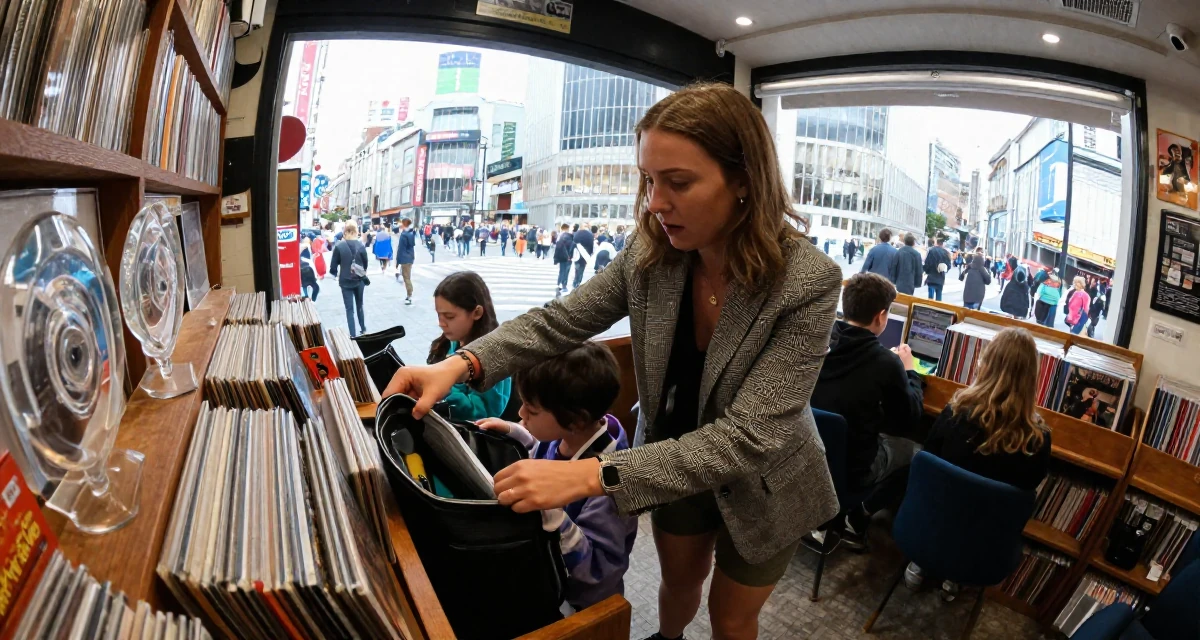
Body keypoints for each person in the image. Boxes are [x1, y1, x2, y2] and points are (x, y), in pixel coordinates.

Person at [382, 83, 842, 640]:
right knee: (679, 580)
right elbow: (560, 320)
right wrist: (459, 365)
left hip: (769, 480)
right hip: (670, 457)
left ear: (744, 179)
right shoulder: (651, 258)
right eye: (649, 180)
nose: (654, 202)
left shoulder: (807, 281)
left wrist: (587, 475)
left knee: (732, 614)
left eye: (678, 182)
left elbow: (747, 437)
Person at [476, 343, 638, 611]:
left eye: (532, 410)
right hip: (549, 571)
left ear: (575, 420)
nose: (521, 414)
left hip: (583, 603)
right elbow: (544, 446)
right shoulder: (572, 433)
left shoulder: (612, 486)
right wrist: (514, 432)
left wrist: (553, 516)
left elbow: (599, 571)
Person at [908, 327, 1052, 596]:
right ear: (1032, 378)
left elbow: (928, 459)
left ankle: (921, 561)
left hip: (929, 525)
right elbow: (1028, 491)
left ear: (985, 363)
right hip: (983, 546)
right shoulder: (1038, 439)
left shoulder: (955, 411)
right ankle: (956, 577)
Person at [809, 273, 923, 549]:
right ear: (881, 317)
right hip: (852, 471)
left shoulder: (818, 340)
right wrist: (910, 371)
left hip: (806, 459)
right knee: (914, 453)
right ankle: (858, 515)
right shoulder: (886, 363)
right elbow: (910, 417)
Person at [427, 272, 511, 421]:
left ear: (477, 312)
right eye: (439, 315)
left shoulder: (493, 357)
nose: (441, 323)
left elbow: (484, 412)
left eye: (450, 317)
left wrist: (443, 390)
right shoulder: (454, 339)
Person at [328, 221, 368, 337]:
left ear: (345, 232)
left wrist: (334, 274)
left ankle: (353, 335)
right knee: (360, 305)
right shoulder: (361, 246)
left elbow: (333, 266)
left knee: (349, 309)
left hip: (345, 281)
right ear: (356, 232)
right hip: (359, 281)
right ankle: (363, 328)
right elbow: (365, 264)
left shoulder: (339, 246)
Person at [923, 237, 952, 301]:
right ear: (942, 244)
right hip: (940, 277)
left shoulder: (931, 251)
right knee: (939, 296)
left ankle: (929, 308)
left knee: (930, 297)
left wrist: (926, 271)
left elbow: (927, 263)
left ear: (936, 243)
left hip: (931, 276)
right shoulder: (945, 253)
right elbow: (949, 266)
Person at [396, 218, 416, 305]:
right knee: (407, 276)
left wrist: (397, 261)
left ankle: (409, 295)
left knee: (406, 278)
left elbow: (400, 249)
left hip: (404, 258)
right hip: (410, 258)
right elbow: (411, 246)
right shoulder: (411, 234)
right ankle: (409, 294)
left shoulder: (404, 235)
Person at [553, 223, 574, 295]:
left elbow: (557, 248)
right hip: (567, 257)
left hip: (561, 257)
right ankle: (563, 286)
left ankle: (558, 284)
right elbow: (570, 247)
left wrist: (555, 258)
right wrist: (568, 256)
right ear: (567, 228)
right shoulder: (568, 236)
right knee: (565, 271)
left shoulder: (560, 236)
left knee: (561, 271)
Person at [573, 225, 596, 290]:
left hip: (577, 253)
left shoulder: (577, 233)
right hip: (586, 254)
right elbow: (591, 245)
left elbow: (574, 243)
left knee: (577, 268)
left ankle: (575, 281)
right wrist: (590, 253)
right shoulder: (590, 235)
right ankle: (578, 281)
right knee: (582, 268)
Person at [299, 236, 319, 301]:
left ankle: (307, 296)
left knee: (304, 284)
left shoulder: (303, 246)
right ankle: (312, 300)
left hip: (303, 267)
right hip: (308, 268)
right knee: (315, 286)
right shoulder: (306, 245)